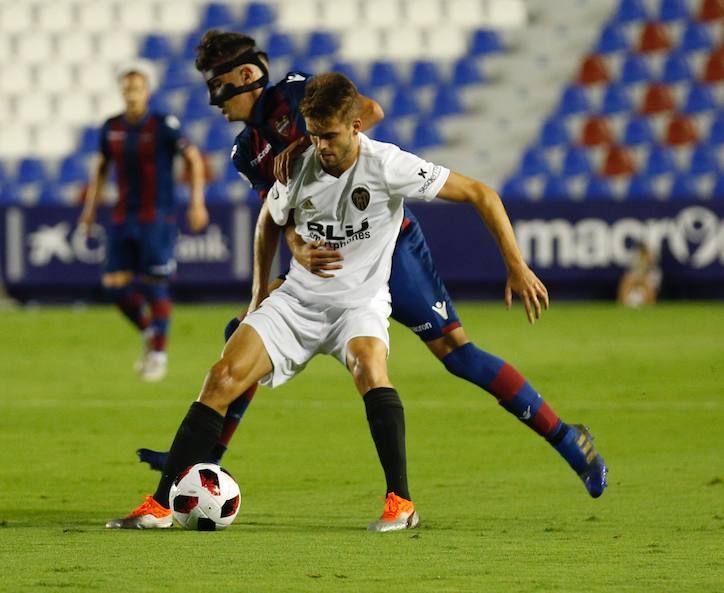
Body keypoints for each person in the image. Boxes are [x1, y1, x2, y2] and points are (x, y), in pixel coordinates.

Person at [139, 32, 608, 500]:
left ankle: (569, 439)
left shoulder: (300, 91)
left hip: (388, 246)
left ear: (246, 75)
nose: (213, 101)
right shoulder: (247, 152)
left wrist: (306, 143)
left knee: (457, 354)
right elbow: (277, 213)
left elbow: (372, 112)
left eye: (218, 86)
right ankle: (205, 458)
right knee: (244, 329)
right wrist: (297, 247)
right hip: (327, 253)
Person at [108, 73, 451, 532]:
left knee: (370, 368)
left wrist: (516, 265)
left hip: (358, 304)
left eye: (327, 134)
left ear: (354, 126)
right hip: (298, 299)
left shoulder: (387, 164)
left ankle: (400, 503)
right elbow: (268, 221)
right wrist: (257, 296)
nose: (319, 144)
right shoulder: (297, 164)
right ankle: (160, 505)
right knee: (222, 376)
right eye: (312, 134)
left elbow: (480, 194)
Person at [79, 60, 209, 382]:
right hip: (123, 216)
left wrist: (196, 202)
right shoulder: (112, 127)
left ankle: (159, 356)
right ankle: (152, 332)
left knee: (155, 286)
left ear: (147, 92)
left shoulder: (163, 123)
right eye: (127, 89)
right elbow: (101, 167)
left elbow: (192, 158)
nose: (132, 94)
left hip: (157, 217)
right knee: (114, 286)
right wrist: (90, 208)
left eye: (137, 88)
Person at [617, 242, 661, 307]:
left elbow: (652, 292)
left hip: (644, 299)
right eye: (642, 255)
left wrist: (641, 280)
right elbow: (627, 282)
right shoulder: (634, 268)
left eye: (645, 255)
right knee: (627, 281)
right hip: (631, 297)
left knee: (648, 285)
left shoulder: (655, 272)